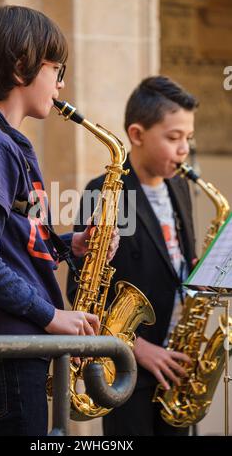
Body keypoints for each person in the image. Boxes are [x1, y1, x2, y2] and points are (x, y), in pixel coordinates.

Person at [0, 5, 119, 436]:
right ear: (21, 66)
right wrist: (50, 316)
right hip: (8, 347)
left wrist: (68, 246)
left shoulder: (1, 142)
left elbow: (14, 238)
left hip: (14, 345)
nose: (62, 84)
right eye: (56, 69)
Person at [67, 76, 198, 436]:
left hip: (176, 363)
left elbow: (179, 261)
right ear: (137, 134)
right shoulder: (104, 192)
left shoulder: (180, 187)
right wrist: (138, 348)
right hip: (127, 370)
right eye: (173, 138)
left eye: (188, 137)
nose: (184, 148)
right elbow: (81, 290)